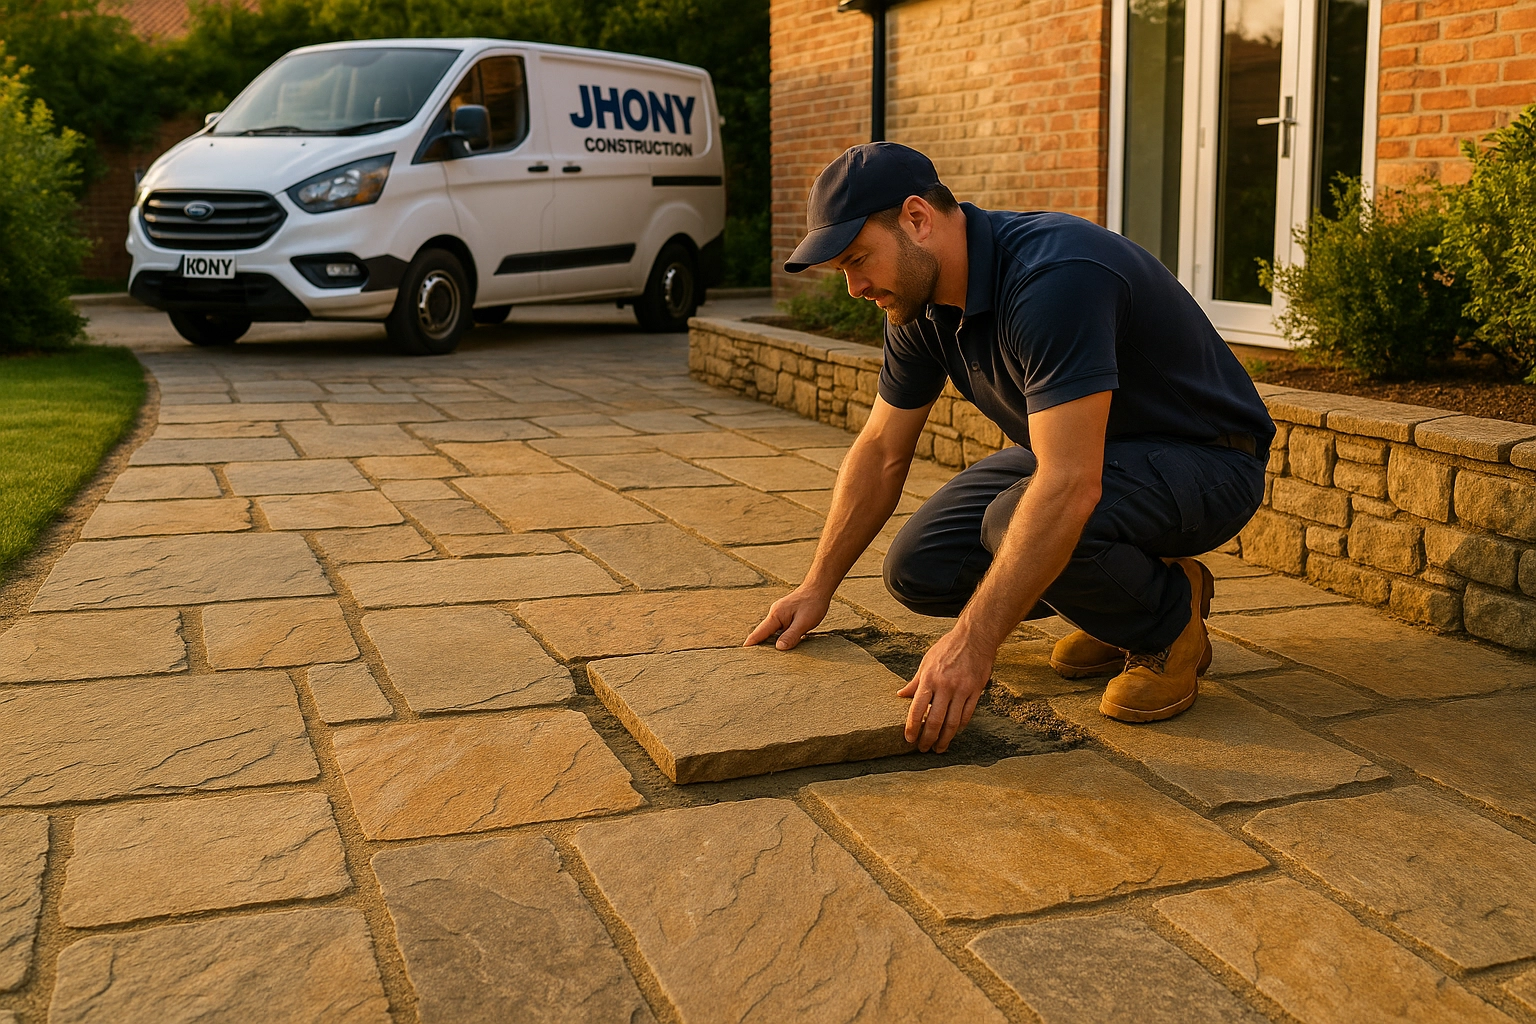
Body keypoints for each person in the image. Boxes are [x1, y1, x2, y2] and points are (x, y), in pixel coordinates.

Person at [744, 142, 1274, 754]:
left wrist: (973, 645)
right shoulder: (917, 304)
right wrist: (817, 586)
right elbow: (882, 449)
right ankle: (1122, 601)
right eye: (842, 270)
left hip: (1208, 459)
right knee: (921, 568)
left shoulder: (1053, 278)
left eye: (858, 260)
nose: (855, 287)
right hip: (1095, 447)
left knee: (1015, 517)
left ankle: (1166, 622)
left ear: (917, 218)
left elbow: (1070, 483)